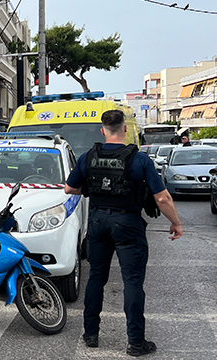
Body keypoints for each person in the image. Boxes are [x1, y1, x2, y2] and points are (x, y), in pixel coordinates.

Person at [64, 109, 183, 357]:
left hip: (97, 222)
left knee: (96, 277)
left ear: (102, 130)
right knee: (132, 282)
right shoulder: (138, 159)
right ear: (125, 129)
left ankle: (91, 334)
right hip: (128, 223)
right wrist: (176, 223)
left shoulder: (88, 157)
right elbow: (161, 197)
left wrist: (93, 187)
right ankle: (135, 343)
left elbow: (69, 188)